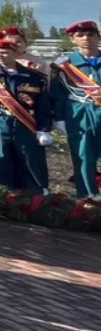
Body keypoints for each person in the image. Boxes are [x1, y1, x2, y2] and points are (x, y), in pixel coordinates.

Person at [0, 37, 54, 194]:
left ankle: (33, 198)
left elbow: (43, 106)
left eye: (4, 52)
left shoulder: (34, 77)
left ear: (14, 53)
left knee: (30, 161)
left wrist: (44, 129)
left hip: (26, 124)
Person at [51, 20, 101, 198]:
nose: (86, 38)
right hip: (79, 114)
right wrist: (59, 118)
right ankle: (89, 199)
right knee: (83, 158)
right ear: (73, 40)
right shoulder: (64, 65)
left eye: (90, 34)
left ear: (98, 37)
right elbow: (58, 94)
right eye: (80, 35)